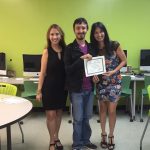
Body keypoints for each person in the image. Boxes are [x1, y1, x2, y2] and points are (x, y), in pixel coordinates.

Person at [90, 22, 127, 150]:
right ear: (93, 35)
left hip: (114, 83)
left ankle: (111, 135)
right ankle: (103, 134)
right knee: (102, 110)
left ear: (105, 32)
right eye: (96, 32)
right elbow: (91, 67)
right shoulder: (94, 50)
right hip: (101, 84)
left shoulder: (114, 45)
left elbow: (124, 60)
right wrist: (93, 77)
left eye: (101, 31)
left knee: (112, 111)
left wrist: (114, 71)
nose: (99, 35)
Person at [64, 18, 97, 150]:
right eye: (78, 28)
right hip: (76, 90)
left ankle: (86, 140)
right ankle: (77, 144)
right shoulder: (69, 48)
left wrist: (96, 76)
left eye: (83, 28)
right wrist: (81, 60)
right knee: (77, 119)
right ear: (74, 30)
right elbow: (67, 70)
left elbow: (95, 67)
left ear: (86, 29)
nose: (81, 30)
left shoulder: (91, 47)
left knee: (87, 117)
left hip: (89, 88)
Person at [36, 24, 67, 150]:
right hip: (49, 88)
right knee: (50, 115)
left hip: (62, 88)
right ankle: (51, 141)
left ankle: (56, 137)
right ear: (49, 36)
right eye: (52, 34)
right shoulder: (46, 51)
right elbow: (42, 73)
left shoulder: (66, 50)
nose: (54, 37)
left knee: (59, 114)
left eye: (57, 34)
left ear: (61, 35)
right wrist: (39, 91)